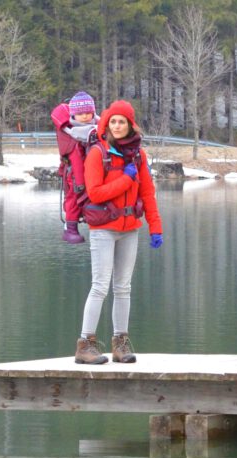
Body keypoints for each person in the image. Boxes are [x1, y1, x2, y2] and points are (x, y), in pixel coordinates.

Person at [74, 100, 163, 365]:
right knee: (100, 286)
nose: (117, 125)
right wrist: (125, 178)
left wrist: (155, 227)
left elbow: (147, 193)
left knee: (123, 287)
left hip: (130, 229)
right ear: (107, 123)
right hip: (103, 229)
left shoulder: (138, 155)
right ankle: (85, 344)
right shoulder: (97, 153)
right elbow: (95, 193)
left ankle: (120, 344)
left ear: (130, 124)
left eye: (122, 121)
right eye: (113, 121)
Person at [51, 91, 99, 244]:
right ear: (73, 114)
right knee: (73, 199)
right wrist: (80, 183)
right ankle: (70, 228)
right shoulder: (69, 131)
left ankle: (97, 220)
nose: (85, 116)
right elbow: (74, 158)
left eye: (88, 113)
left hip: (94, 173)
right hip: (75, 175)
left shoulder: (99, 127)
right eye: (81, 113)